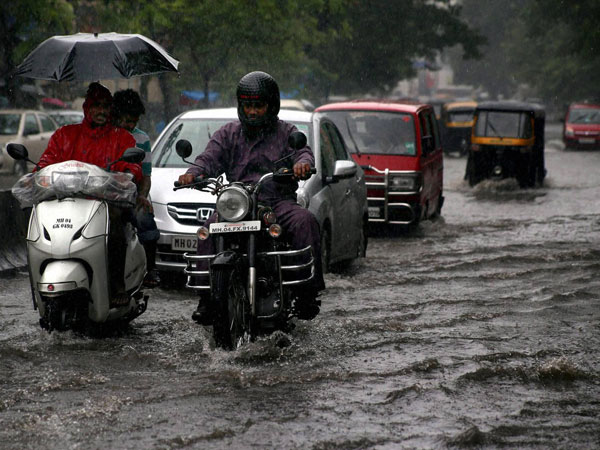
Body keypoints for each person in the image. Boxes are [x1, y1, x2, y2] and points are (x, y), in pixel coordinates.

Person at [177, 70, 325, 324]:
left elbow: (303, 153)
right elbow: (208, 158)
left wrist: (302, 164)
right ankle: (206, 298)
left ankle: (306, 294)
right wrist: (193, 173)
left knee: (305, 221)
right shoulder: (228, 134)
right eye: (248, 106)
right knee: (207, 230)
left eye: (258, 105)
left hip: (276, 202)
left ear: (272, 105)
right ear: (240, 107)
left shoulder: (286, 132)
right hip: (237, 204)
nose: (253, 112)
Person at [37, 82, 142, 306]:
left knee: (114, 224)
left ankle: (116, 285)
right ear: (87, 108)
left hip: (105, 205)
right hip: (67, 203)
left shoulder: (121, 138)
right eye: (96, 105)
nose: (101, 111)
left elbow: (133, 167)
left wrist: (126, 174)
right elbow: (47, 160)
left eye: (106, 106)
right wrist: (39, 172)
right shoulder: (65, 135)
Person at [112, 89, 161, 288]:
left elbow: (146, 176)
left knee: (144, 218)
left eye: (133, 121)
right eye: (125, 120)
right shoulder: (105, 135)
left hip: (130, 197)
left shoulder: (142, 140)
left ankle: (151, 268)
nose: (129, 125)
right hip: (102, 195)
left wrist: (142, 196)